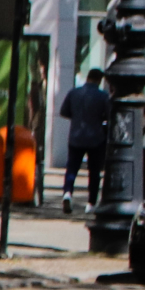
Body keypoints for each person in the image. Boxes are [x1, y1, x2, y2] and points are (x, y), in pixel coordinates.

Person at [58, 65, 113, 215]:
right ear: (99, 80)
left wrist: (77, 118)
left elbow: (64, 111)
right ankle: (91, 203)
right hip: (96, 138)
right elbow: (109, 116)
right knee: (94, 172)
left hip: (76, 136)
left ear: (88, 77)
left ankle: (67, 193)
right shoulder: (103, 96)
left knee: (72, 168)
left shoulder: (74, 92)